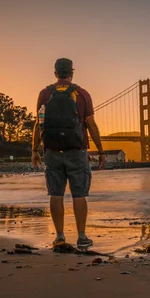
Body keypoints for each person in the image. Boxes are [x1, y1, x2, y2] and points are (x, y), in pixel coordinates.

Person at [31, 58, 106, 248]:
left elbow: (38, 124)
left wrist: (34, 150)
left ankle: (59, 237)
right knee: (78, 194)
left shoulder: (45, 93)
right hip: (77, 151)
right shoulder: (82, 94)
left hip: (52, 151)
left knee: (56, 194)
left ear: (55, 73)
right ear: (72, 73)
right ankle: (81, 237)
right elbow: (91, 125)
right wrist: (101, 150)